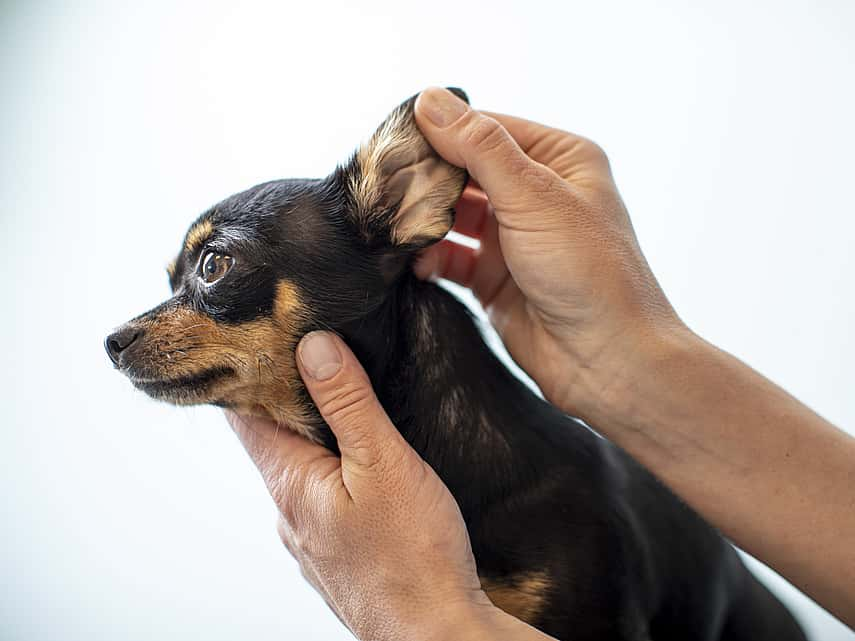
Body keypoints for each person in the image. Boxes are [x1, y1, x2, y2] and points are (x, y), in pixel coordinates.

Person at [226, 87, 855, 640]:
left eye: (218, 268)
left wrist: (427, 623)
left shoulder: (558, 525)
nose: (126, 338)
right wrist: (621, 364)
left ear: (397, 200)